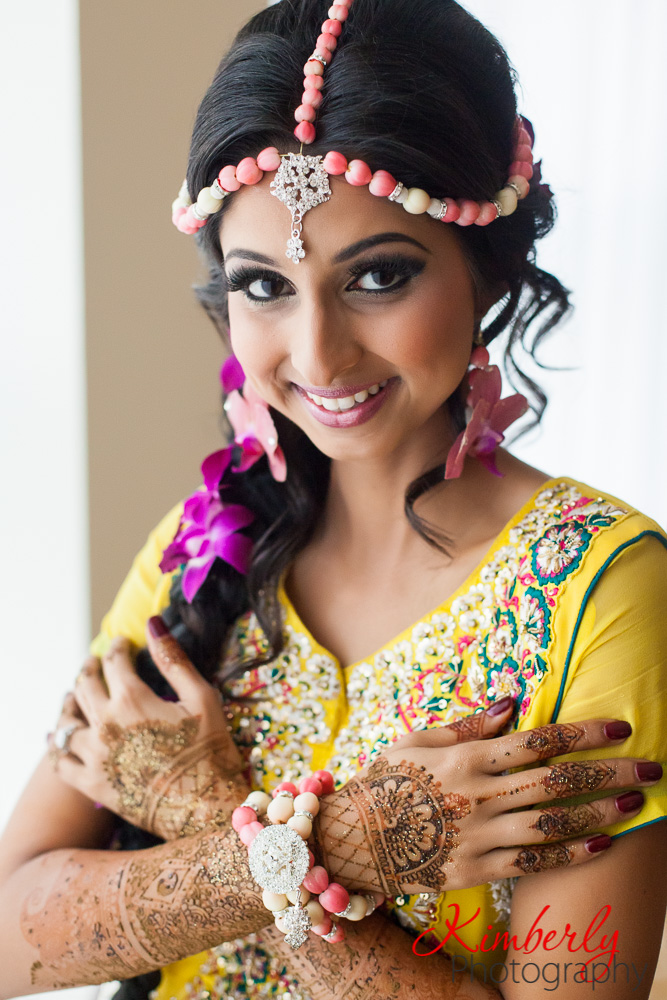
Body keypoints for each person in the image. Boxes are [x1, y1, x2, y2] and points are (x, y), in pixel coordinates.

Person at [1, 0, 666, 998]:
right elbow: (12, 937)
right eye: (264, 286)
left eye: (379, 276)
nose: (317, 354)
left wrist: (217, 814)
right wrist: (339, 841)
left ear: (485, 267)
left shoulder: (603, 591)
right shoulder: (202, 548)